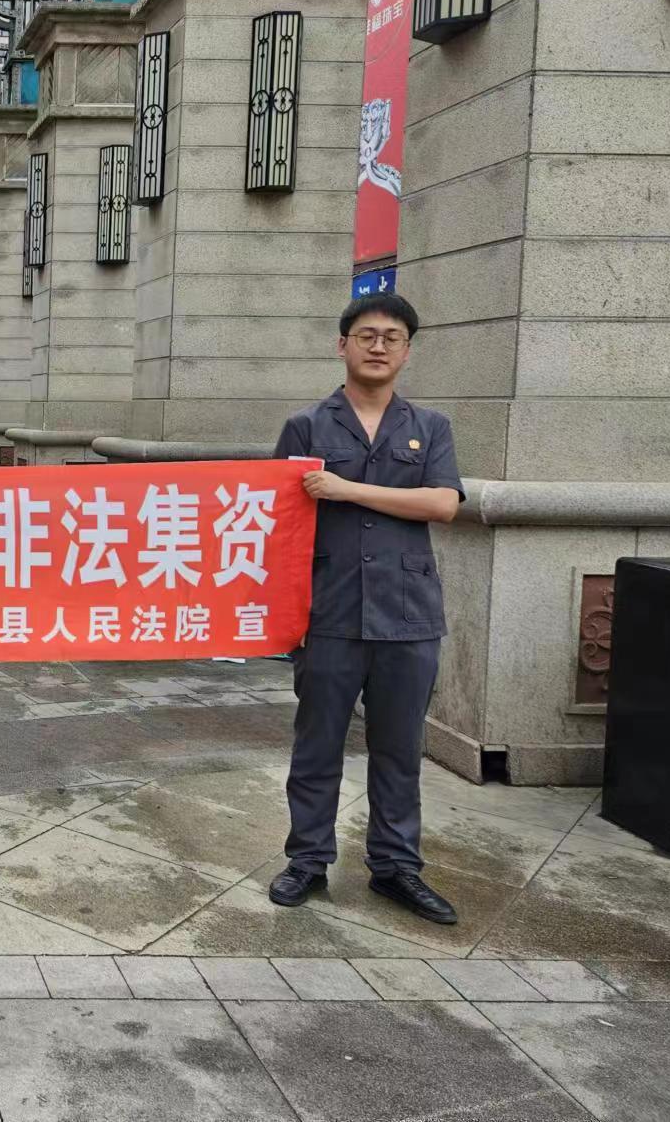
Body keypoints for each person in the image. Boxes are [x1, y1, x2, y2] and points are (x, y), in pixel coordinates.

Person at [268, 293, 465, 926]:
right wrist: (284, 614)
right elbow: (280, 520)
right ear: (342, 345)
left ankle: (396, 867)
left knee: (400, 749)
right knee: (317, 745)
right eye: (366, 335)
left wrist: (345, 488)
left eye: (392, 337)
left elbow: (443, 504)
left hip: (408, 614)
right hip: (328, 610)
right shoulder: (307, 426)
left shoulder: (430, 426)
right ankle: (307, 861)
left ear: (407, 351)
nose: (378, 346)